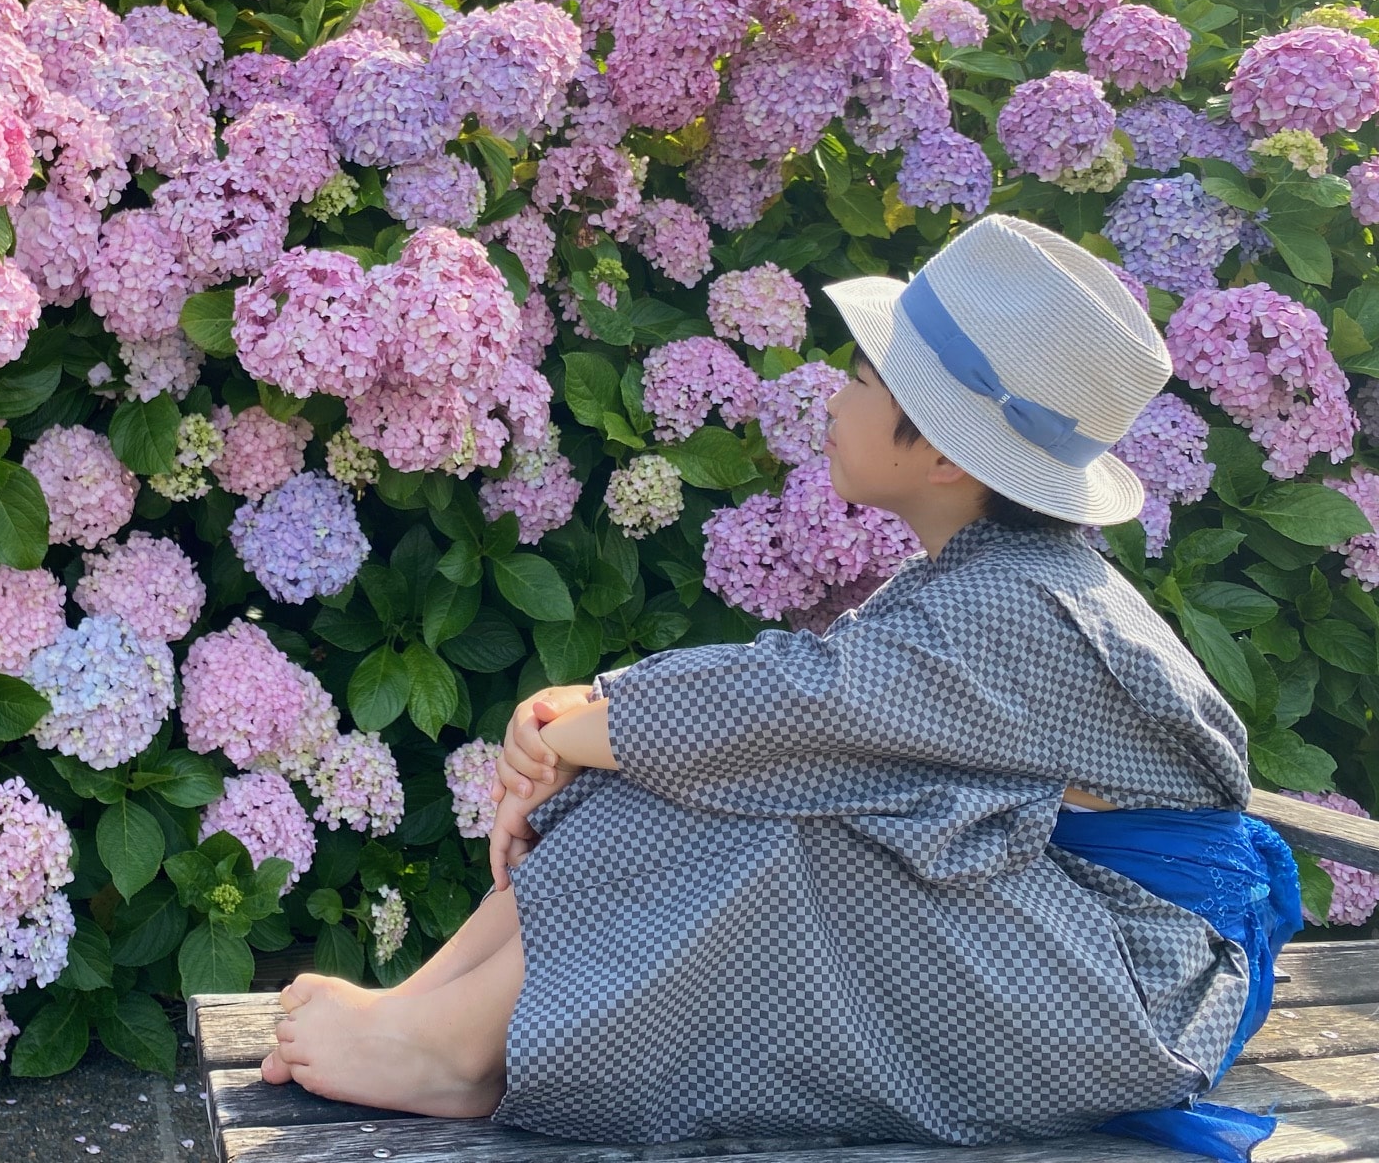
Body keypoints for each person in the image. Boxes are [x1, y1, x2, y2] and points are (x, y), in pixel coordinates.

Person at [258, 212, 1303, 1160]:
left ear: (942, 453)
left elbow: (798, 710)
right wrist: (584, 716)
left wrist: (574, 727)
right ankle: (425, 1012)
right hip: (1064, 936)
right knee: (721, 755)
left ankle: (461, 1050)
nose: (835, 393)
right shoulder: (997, 577)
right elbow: (797, 697)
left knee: (786, 791)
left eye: (861, 376)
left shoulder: (1019, 606)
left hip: (1140, 989)